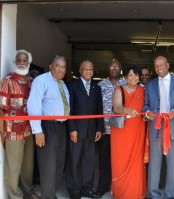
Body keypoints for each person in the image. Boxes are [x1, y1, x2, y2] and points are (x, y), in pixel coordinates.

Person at [143, 56, 174, 199]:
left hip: (173, 126)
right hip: (156, 127)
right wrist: (147, 113)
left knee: (173, 166)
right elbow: (145, 105)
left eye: (161, 64)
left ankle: (170, 195)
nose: (159, 68)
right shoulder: (150, 84)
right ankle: (153, 195)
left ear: (168, 65)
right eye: (156, 65)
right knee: (154, 165)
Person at [27, 55, 69, 199]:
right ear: (51, 66)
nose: (61, 69)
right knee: (48, 164)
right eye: (58, 65)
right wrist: (37, 130)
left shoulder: (62, 84)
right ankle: (47, 196)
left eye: (63, 67)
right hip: (47, 126)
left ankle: (51, 193)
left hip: (61, 127)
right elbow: (34, 105)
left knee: (59, 163)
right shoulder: (41, 80)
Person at [0, 50, 40, 199]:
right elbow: (1, 108)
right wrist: (2, 132)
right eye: (19, 60)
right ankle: (15, 195)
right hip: (13, 130)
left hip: (29, 128)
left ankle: (28, 191)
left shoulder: (31, 81)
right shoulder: (8, 80)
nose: (22, 63)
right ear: (14, 62)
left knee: (27, 166)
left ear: (29, 63)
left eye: (25, 61)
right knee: (14, 165)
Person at [65, 60, 103, 199]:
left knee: (89, 161)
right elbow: (69, 109)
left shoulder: (96, 88)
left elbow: (100, 109)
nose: (88, 71)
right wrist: (72, 129)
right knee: (74, 160)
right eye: (85, 69)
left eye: (91, 69)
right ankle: (74, 190)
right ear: (80, 71)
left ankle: (86, 189)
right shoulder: (72, 86)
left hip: (92, 131)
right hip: (76, 130)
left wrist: (100, 128)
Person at [110, 65, 146, 198]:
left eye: (136, 75)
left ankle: (135, 193)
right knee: (121, 161)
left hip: (138, 129)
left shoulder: (143, 90)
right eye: (130, 75)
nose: (133, 78)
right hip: (121, 131)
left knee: (136, 161)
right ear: (125, 77)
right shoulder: (119, 89)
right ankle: (121, 193)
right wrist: (127, 110)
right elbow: (117, 106)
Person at [96, 59, 126, 196]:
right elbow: (95, 107)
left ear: (120, 69)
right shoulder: (100, 85)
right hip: (105, 130)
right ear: (108, 69)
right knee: (104, 160)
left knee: (121, 161)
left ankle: (119, 188)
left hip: (122, 130)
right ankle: (102, 187)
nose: (114, 69)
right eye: (111, 66)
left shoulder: (126, 84)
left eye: (116, 67)